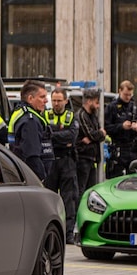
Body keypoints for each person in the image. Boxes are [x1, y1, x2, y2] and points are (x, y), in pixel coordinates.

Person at [43, 87, 79, 242]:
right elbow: (43, 136)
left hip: (67, 161)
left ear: (66, 100)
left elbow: (72, 136)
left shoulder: (71, 116)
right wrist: (60, 138)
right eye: (54, 100)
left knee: (68, 199)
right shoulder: (45, 115)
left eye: (59, 100)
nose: (56, 103)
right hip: (50, 162)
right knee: (48, 199)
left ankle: (68, 234)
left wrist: (53, 136)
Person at [8, 80, 53, 182]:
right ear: (30, 99)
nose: (46, 101)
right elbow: (32, 155)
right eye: (42, 97)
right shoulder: (30, 120)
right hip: (31, 176)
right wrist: (41, 179)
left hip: (21, 172)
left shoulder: (20, 112)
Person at [104, 80, 137, 177]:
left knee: (134, 179)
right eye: (126, 94)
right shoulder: (112, 107)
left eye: (130, 95)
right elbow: (106, 127)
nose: (128, 97)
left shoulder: (135, 106)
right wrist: (121, 126)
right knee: (116, 178)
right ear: (120, 91)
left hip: (133, 148)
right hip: (118, 148)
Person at [76, 88, 106, 195]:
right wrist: (99, 134)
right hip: (83, 157)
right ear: (89, 101)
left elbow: (98, 135)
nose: (98, 106)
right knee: (81, 188)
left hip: (92, 157)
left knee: (91, 189)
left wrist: (98, 135)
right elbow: (92, 134)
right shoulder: (81, 115)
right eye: (96, 102)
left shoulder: (93, 115)